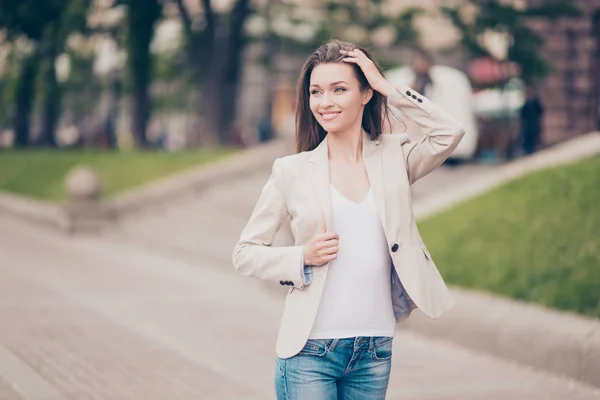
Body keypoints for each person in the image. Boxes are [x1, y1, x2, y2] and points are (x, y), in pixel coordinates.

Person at [232, 39, 465, 400]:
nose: (325, 102)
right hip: (309, 352)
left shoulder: (394, 157)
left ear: (365, 94)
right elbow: (245, 253)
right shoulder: (291, 171)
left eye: (339, 89)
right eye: (316, 92)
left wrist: (389, 87)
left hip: (373, 350)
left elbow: (449, 133)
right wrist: (300, 257)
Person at [519, 85, 545, 155]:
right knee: (528, 145)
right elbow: (522, 117)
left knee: (536, 142)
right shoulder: (525, 106)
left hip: (535, 126)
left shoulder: (535, 104)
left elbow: (541, 112)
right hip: (528, 128)